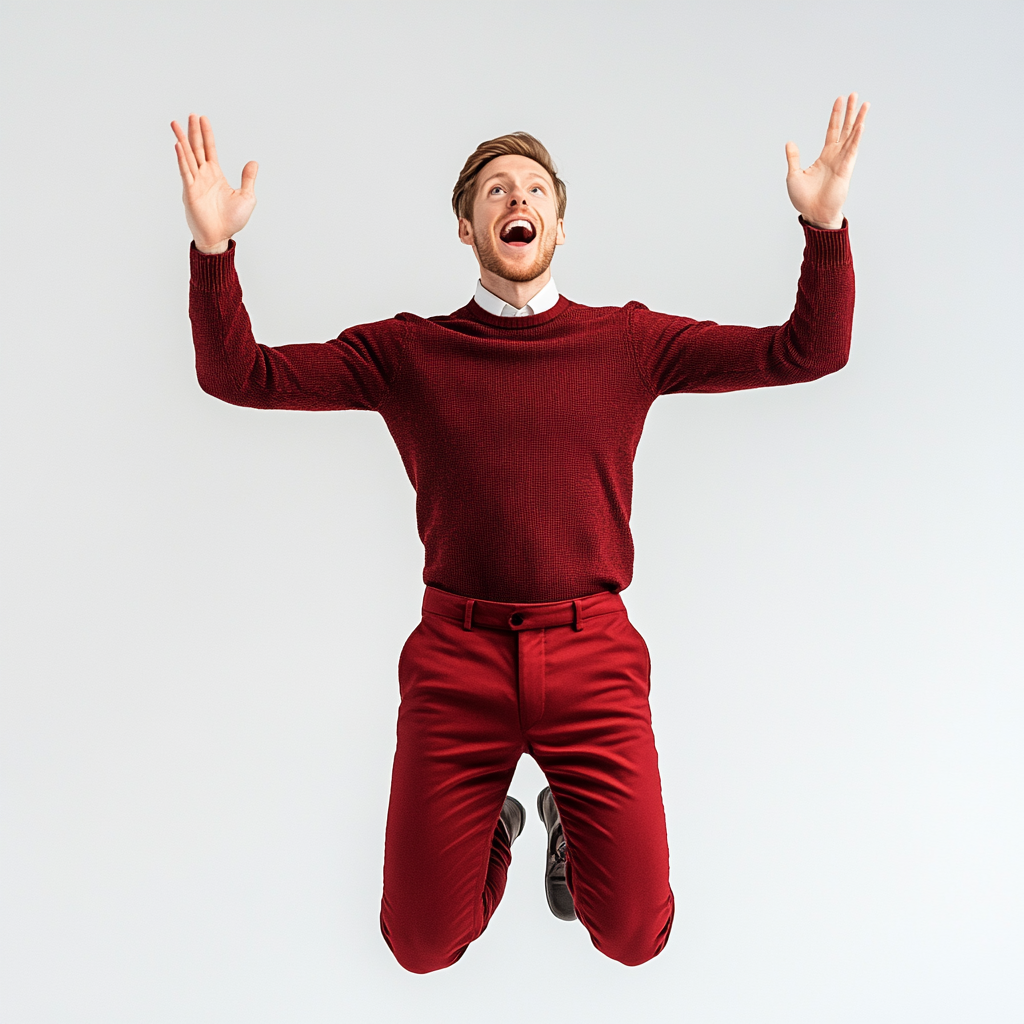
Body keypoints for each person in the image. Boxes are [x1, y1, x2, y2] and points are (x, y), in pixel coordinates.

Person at [171, 95, 868, 973]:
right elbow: (243, 375)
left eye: (532, 189)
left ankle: (567, 831)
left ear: (559, 227)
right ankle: (499, 821)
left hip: (593, 658)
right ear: (466, 228)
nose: (514, 201)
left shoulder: (628, 343)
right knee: (420, 946)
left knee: (634, 938)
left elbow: (808, 351)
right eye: (494, 192)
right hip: (456, 658)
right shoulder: (408, 353)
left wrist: (826, 225)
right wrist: (212, 249)